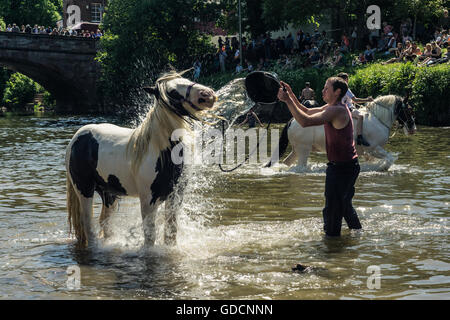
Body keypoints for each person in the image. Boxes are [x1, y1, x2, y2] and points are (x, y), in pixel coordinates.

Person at [277, 77, 362, 237]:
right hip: (346, 166)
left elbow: (304, 121)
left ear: (337, 92)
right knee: (344, 206)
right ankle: (357, 236)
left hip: (342, 169)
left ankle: (331, 246)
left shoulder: (336, 110)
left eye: (326, 88)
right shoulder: (332, 106)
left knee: (332, 210)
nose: (322, 91)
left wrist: (287, 101)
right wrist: (292, 95)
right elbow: (307, 111)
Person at [337, 72, 373, 146]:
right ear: (346, 79)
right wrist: (367, 99)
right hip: (347, 109)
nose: (348, 80)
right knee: (360, 116)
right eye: (347, 79)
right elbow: (355, 100)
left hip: (340, 107)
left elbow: (351, 100)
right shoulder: (346, 88)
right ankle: (359, 137)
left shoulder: (337, 88)